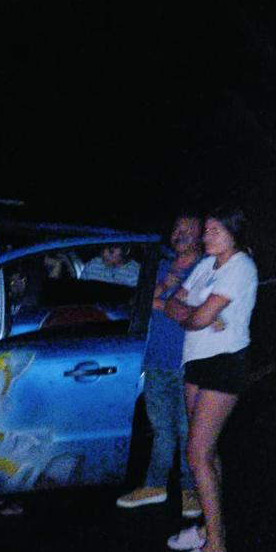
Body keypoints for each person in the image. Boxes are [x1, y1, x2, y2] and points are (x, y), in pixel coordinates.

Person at [162, 207, 258, 552]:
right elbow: (176, 302)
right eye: (206, 231)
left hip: (225, 363)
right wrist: (195, 313)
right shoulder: (206, 264)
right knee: (208, 451)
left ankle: (216, 550)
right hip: (197, 362)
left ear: (233, 232)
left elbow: (196, 316)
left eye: (214, 230)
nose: (206, 236)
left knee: (196, 454)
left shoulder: (240, 267)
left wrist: (194, 314)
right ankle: (208, 527)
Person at [116, 213, 203, 517]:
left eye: (187, 230)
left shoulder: (204, 268)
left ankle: (191, 491)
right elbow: (139, 302)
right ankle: (155, 485)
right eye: (176, 228)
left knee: (186, 429)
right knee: (161, 429)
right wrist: (164, 287)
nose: (179, 234)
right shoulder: (162, 265)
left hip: (187, 364)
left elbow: (190, 312)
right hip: (156, 361)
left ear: (200, 234)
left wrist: (160, 303)